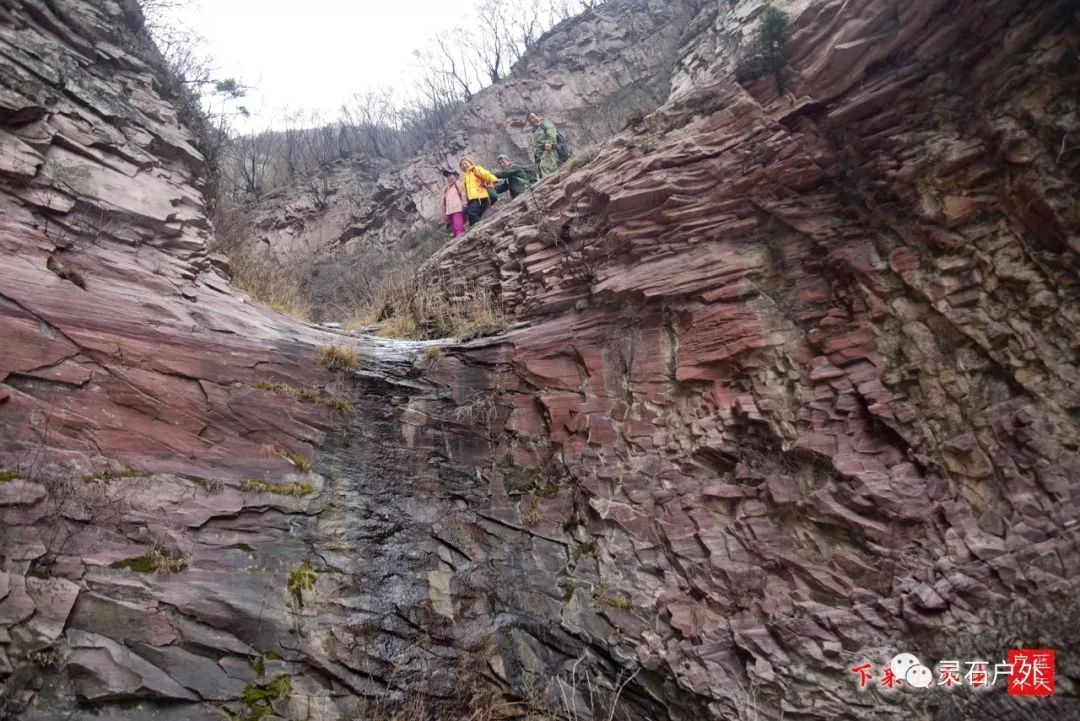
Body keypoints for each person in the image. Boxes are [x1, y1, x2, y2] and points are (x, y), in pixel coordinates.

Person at [459, 155, 498, 225]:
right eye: (462, 165)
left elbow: (486, 175)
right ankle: (481, 228)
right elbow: (464, 191)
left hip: (480, 196)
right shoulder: (465, 178)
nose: (464, 166)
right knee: (472, 218)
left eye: (465, 163)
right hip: (472, 200)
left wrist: (493, 181)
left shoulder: (476, 169)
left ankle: (482, 227)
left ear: (470, 162)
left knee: (472, 213)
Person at [528, 111, 559, 179]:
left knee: (545, 167)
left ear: (538, 116)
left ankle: (551, 183)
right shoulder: (535, 131)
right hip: (540, 157)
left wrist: (549, 143)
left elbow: (551, 132)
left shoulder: (545, 123)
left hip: (549, 152)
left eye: (533, 117)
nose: (532, 120)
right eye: (530, 120)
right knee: (542, 173)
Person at [441, 168, 467, 238]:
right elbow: (444, 203)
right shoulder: (446, 189)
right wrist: (445, 214)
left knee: (459, 228)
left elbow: (463, 193)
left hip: (457, 208)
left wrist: (465, 203)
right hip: (450, 212)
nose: (448, 177)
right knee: (455, 230)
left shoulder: (457, 183)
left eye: (450, 174)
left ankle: (461, 239)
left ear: (455, 175)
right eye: (447, 176)